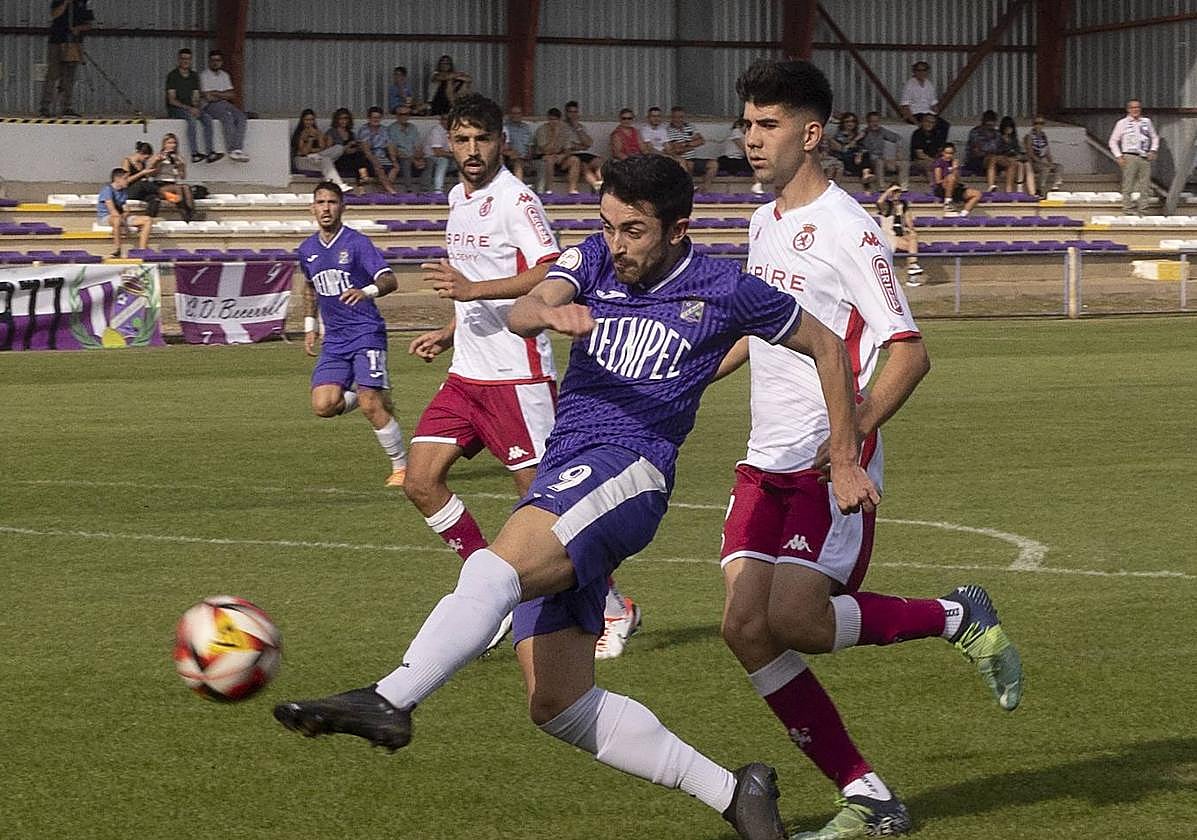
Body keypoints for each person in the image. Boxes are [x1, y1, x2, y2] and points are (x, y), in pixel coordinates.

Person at [274, 152, 885, 840]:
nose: (615, 244)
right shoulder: (594, 258)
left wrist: (842, 453)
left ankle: (390, 697)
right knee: (557, 702)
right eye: (607, 225)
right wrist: (545, 315)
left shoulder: (725, 288)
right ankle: (735, 794)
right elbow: (526, 309)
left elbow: (828, 346)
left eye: (632, 230)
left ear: (677, 228)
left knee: (496, 565)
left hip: (632, 470)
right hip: (572, 465)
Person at [724, 59, 1024, 840]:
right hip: (762, 460)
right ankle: (868, 794)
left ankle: (954, 615)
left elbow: (908, 352)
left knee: (794, 620)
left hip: (827, 462)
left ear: (810, 132)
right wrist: (675, 380)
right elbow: (755, 329)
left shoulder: (849, 228)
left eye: (767, 125)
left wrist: (849, 445)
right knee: (742, 627)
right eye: (747, 124)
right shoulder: (762, 223)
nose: (750, 138)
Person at [402, 94, 639, 659]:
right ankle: (491, 596)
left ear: (500, 141)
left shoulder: (517, 200)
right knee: (419, 481)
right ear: (449, 143)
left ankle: (614, 605)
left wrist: (470, 292)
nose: (472, 150)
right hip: (467, 376)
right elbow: (471, 284)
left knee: (549, 513)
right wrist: (449, 327)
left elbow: (548, 268)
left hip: (518, 379)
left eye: (482, 139)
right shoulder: (457, 199)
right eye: (461, 140)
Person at [298, 181, 408, 488]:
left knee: (372, 403)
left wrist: (366, 291)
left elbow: (389, 279)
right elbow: (309, 287)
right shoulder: (307, 250)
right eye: (321, 202)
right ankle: (365, 393)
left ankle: (402, 468)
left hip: (365, 333)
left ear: (342, 207)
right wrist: (310, 326)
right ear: (312, 207)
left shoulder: (357, 243)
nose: (326, 208)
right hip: (334, 339)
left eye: (332, 202)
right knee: (323, 406)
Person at [39, 0, 93, 118]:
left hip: (74, 42)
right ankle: (45, 106)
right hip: (57, 41)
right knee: (53, 74)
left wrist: (78, 28)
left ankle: (66, 106)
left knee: (69, 76)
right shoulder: (59, 1)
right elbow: (55, 14)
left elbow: (89, 24)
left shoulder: (84, 3)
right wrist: (65, 3)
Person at [165, 47, 219, 163]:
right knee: (191, 120)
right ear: (178, 60)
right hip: (176, 108)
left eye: (188, 59)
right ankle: (194, 153)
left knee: (208, 119)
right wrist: (190, 108)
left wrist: (197, 107)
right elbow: (171, 99)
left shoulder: (194, 76)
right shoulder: (173, 76)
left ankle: (210, 152)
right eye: (183, 58)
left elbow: (195, 95)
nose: (185, 61)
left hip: (191, 108)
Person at [1108, 98, 1159, 216]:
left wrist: (1153, 150)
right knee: (1128, 183)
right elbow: (1113, 141)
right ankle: (1128, 208)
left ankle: (1143, 209)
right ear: (1128, 109)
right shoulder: (1122, 123)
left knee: (1145, 184)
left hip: (1144, 156)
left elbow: (1154, 137)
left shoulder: (1146, 122)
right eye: (1133, 107)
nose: (1135, 110)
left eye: (1137, 107)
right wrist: (1119, 156)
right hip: (1129, 156)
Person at [199, 49, 250, 162]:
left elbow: (232, 94)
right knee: (227, 117)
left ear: (221, 62)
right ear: (209, 61)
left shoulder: (224, 75)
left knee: (241, 117)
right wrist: (223, 94)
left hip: (225, 103)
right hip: (209, 105)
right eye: (213, 60)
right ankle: (232, 149)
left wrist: (216, 93)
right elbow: (208, 97)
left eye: (218, 60)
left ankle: (238, 149)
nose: (215, 62)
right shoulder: (204, 75)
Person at [97, 168, 153, 256]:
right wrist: (125, 224)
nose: (127, 181)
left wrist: (125, 216)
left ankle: (142, 248)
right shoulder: (107, 190)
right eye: (125, 178)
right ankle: (118, 249)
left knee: (147, 220)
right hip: (106, 217)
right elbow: (112, 211)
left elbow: (126, 209)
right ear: (117, 179)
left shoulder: (123, 192)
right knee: (116, 219)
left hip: (121, 217)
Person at [876, 184, 923, 285]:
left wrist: (911, 229)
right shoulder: (886, 206)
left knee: (913, 237)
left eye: (898, 192)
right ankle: (912, 273)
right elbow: (879, 202)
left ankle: (913, 267)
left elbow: (909, 223)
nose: (896, 194)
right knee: (910, 247)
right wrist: (889, 191)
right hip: (889, 236)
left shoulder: (903, 205)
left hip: (900, 235)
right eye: (894, 192)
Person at [292, 108, 349, 190]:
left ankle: (316, 156)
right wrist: (311, 138)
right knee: (325, 160)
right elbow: (304, 152)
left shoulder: (317, 132)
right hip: (302, 161)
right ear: (302, 121)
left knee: (339, 148)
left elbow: (323, 148)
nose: (309, 122)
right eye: (307, 120)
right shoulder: (300, 133)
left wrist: (318, 136)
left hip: (316, 158)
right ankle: (339, 184)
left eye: (311, 120)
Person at [665, 106, 718, 192]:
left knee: (713, 164)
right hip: (679, 160)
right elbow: (675, 150)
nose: (678, 120)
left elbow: (701, 141)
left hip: (693, 159)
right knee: (688, 164)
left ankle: (705, 189)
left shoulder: (690, 127)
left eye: (681, 117)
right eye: (676, 117)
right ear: (672, 118)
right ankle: (689, 188)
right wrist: (692, 144)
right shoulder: (667, 130)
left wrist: (686, 144)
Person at [898, 60, 949, 148]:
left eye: (924, 70)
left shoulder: (929, 84)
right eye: (919, 70)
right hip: (915, 114)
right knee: (930, 127)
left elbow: (934, 104)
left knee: (945, 125)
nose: (922, 73)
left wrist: (936, 114)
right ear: (914, 71)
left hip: (928, 113)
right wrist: (916, 122)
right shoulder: (909, 85)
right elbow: (905, 106)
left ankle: (939, 148)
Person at [965, 110, 1015, 192]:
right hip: (977, 160)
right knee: (992, 158)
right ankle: (991, 186)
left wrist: (1007, 140)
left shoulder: (997, 133)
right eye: (988, 124)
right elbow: (978, 150)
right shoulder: (975, 132)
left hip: (994, 158)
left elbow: (1003, 149)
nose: (990, 126)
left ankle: (1009, 190)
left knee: (1011, 162)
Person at [532, 108, 578, 194]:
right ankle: (549, 190)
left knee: (575, 160)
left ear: (560, 120)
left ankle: (572, 190)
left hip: (559, 157)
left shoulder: (565, 130)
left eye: (556, 119)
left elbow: (568, 149)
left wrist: (562, 156)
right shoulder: (541, 130)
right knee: (549, 160)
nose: (553, 122)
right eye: (551, 119)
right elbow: (545, 150)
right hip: (543, 157)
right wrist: (554, 136)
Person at [355, 106, 400, 193]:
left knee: (394, 168)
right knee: (379, 168)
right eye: (374, 117)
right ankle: (391, 191)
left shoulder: (384, 130)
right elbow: (366, 151)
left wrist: (394, 161)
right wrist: (375, 162)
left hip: (383, 156)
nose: (376, 119)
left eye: (378, 117)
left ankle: (384, 192)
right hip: (368, 158)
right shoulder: (364, 130)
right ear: (369, 118)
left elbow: (389, 145)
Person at [325, 108, 372, 189]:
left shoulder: (351, 133)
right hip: (338, 160)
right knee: (358, 161)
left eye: (346, 118)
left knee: (360, 156)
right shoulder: (332, 132)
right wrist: (346, 148)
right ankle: (363, 178)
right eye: (341, 118)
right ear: (337, 120)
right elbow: (329, 151)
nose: (344, 121)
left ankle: (362, 180)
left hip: (352, 158)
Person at [563, 101, 604, 192]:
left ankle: (602, 183)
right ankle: (597, 187)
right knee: (583, 166)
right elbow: (566, 145)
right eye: (571, 112)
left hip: (583, 154)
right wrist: (581, 146)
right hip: (570, 155)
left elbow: (588, 143)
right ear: (566, 113)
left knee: (599, 161)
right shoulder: (562, 127)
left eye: (575, 112)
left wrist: (577, 127)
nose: (573, 115)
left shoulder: (581, 127)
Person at [827, 112, 875, 190]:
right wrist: (855, 140)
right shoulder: (839, 135)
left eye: (853, 121)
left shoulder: (858, 134)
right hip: (846, 159)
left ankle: (866, 174)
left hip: (858, 160)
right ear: (843, 123)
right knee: (850, 155)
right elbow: (843, 150)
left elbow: (864, 147)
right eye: (847, 121)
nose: (850, 123)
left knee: (866, 154)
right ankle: (865, 176)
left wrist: (859, 154)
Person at [156, 132, 197, 222]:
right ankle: (187, 214)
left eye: (174, 143)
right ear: (164, 144)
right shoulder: (159, 157)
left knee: (185, 187)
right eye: (169, 143)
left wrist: (182, 166)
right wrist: (160, 162)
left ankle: (191, 212)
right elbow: (154, 173)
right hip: (161, 185)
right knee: (179, 189)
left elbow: (182, 177)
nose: (172, 145)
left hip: (174, 185)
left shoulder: (178, 158)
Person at [388, 105, 430, 191]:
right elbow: (395, 149)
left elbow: (418, 145)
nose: (404, 116)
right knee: (406, 162)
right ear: (397, 115)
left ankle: (425, 189)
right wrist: (413, 160)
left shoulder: (412, 127)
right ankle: (409, 189)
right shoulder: (392, 129)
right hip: (401, 157)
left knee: (430, 161)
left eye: (406, 114)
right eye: (401, 114)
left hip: (414, 156)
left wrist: (419, 158)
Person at [932, 142, 982, 216]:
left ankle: (963, 213)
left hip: (955, 188)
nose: (949, 155)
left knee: (977, 194)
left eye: (951, 153)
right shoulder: (939, 163)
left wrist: (955, 168)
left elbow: (958, 179)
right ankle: (948, 203)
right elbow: (938, 181)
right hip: (942, 189)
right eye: (947, 153)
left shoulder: (954, 162)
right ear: (943, 153)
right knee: (951, 177)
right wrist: (949, 178)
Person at [860, 112, 904, 188]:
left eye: (876, 121)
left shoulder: (882, 131)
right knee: (880, 162)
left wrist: (898, 151)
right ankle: (881, 187)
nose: (875, 124)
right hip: (868, 161)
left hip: (882, 158)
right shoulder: (864, 133)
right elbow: (861, 149)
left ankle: (902, 188)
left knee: (901, 164)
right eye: (872, 121)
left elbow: (898, 138)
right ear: (868, 122)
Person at [1023, 116, 1062, 198]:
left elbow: (1047, 151)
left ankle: (1055, 186)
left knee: (1058, 167)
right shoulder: (1029, 136)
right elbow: (1030, 153)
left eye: (1041, 123)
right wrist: (1042, 162)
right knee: (1045, 168)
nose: (1039, 125)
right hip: (1032, 162)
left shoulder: (1044, 136)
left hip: (1041, 160)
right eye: (1036, 123)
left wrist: (1050, 162)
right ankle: (1039, 189)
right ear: (1033, 125)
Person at [501, 105, 536, 183]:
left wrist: (529, 158)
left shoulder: (526, 128)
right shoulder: (505, 127)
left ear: (521, 115)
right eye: (513, 113)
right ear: (509, 114)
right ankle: (519, 188)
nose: (515, 115)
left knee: (541, 164)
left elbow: (530, 145)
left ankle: (544, 192)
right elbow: (505, 146)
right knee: (518, 163)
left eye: (518, 113)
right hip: (511, 158)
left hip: (526, 158)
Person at [997, 115, 1031, 193]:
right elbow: (998, 152)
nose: (1009, 129)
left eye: (1010, 127)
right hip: (1004, 163)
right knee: (1018, 164)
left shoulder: (1013, 139)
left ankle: (1022, 188)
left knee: (1025, 164)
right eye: (1007, 127)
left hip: (1014, 160)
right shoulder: (998, 138)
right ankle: (1015, 189)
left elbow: (1018, 150)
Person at [425, 113, 458, 193]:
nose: (447, 121)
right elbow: (437, 152)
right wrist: (455, 155)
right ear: (441, 121)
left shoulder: (453, 130)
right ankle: (438, 190)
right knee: (443, 161)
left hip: (448, 156)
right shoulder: (436, 130)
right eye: (444, 119)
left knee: (463, 162)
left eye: (449, 120)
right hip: (430, 157)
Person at [907, 112, 941, 185]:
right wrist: (934, 161)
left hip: (933, 159)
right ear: (922, 122)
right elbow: (920, 155)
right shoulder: (917, 134)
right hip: (918, 161)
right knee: (929, 164)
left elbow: (939, 150)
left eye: (932, 122)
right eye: (927, 121)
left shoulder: (936, 134)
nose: (929, 124)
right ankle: (934, 185)